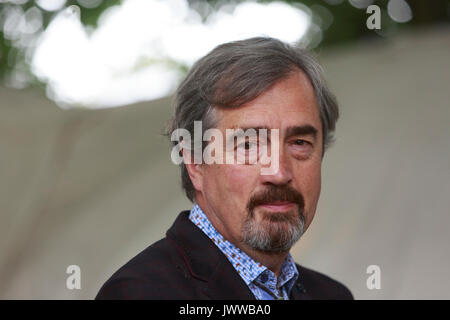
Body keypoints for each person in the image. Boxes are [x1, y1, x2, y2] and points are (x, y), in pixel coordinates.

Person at [96, 37, 353, 300]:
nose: (279, 173)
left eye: (299, 143)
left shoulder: (333, 296)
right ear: (195, 162)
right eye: (249, 144)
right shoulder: (140, 294)